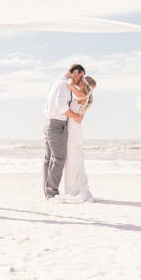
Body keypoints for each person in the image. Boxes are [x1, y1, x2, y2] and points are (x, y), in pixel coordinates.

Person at [43, 64, 85, 199]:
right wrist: (77, 117)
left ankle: (48, 192)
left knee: (48, 159)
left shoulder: (56, 82)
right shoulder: (63, 85)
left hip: (49, 123)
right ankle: (52, 192)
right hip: (57, 125)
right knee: (59, 159)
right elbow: (62, 108)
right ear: (75, 72)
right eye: (81, 76)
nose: (80, 80)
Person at [62, 75, 97, 203]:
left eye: (80, 81)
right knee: (73, 159)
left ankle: (74, 190)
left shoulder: (82, 97)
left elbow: (79, 118)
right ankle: (72, 188)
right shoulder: (83, 97)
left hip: (74, 131)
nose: (78, 82)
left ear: (83, 84)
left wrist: (64, 110)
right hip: (74, 130)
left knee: (73, 159)